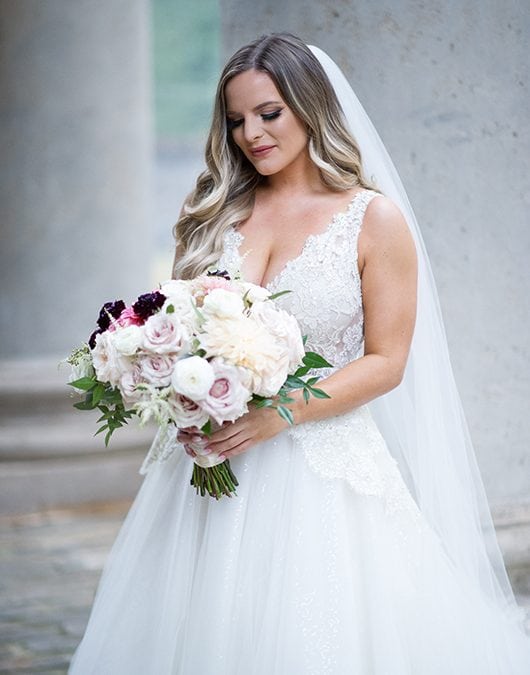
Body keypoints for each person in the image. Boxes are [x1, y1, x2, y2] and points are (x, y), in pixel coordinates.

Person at [69, 33, 530, 673]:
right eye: (235, 120)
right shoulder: (208, 213)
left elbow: (386, 362)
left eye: (269, 113)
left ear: (311, 107)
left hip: (321, 469)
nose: (251, 134)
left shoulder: (374, 219)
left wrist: (275, 414)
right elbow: (174, 326)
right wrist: (170, 380)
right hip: (208, 468)